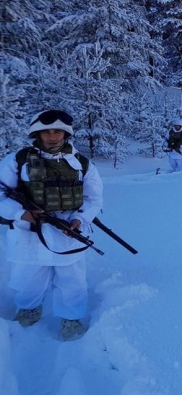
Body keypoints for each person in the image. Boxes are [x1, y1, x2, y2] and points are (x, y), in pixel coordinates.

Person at [0, 109, 103, 341]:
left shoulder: (81, 163)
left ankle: (71, 318)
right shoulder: (18, 160)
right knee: (29, 275)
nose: (52, 136)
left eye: (57, 131)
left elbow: (94, 199)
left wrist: (81, 219)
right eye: (46, 132)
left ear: (66, 134)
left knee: (72, 279)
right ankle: (29, 309)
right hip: (30, 232)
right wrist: (21, 214)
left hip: (67, 230)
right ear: (37, 134)